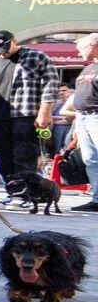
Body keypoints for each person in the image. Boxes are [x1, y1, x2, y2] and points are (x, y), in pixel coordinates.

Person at [0, 29, 56, 201]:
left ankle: (25, 195)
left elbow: (50, 84)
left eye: (3, 47)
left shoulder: (36, 56)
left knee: (24, 155)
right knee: (2, 154)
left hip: (26, 114)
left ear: (14, 41)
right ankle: (13, 191)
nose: (0, 52)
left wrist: (45, 111)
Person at [69, 35, 97, 211]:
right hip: (83, 118)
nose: (79, 53)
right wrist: (76, 125)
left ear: (93, 46)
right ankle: (97, 199)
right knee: (90, 160)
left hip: (95, 116)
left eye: (81, 48)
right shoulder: (88, 68)